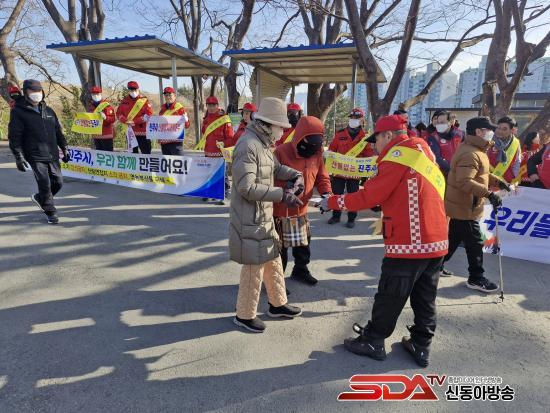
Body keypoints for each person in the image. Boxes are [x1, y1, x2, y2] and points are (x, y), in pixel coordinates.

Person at [320, 114, 448, 367]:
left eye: (376, 139)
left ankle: (373, 340)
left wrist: (331, 202)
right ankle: (421, 344)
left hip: (409, 240)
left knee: (390, 294)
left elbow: (369, 196)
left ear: (388, 135)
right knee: (425, 296)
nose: (375, 145)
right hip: (437, 239)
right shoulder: (424, 150)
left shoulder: (397, 156)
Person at [230, 97, 305, 333]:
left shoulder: (263, 143)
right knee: (254, 268)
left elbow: (274, 168)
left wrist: (295, 175)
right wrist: (282, 195)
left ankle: (277, 304)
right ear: (269, 124)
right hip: (249, 218)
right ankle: (244, 316)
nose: (283, 132)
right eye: (281, 127)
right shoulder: (248, 145)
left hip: (263, 215)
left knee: (273, 258)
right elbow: (246, 187)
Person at [443, 117, 510, 292]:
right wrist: (489, 194)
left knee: (453, 240)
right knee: (475, 244)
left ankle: (433, 267)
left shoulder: (476, 150)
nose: (492, 133)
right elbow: (464, 181)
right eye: (489, 130)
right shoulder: (471, 153)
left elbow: (482, 174)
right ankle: (476, 278)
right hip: (465, 207)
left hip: (463, 206)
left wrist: (499, 182)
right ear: (478, 131)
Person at [273, 116, 332, 286]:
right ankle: (276, 282)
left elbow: (322, 177)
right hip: (281, 209)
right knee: (280, 249)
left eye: (316, 143)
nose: (313, 147)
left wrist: (327, 194)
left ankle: (300, 270)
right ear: (300, 137)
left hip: (302, 209)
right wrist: (285, 191)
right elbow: (270, 179)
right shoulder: (281, 152)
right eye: (309, 142)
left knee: (303, 245)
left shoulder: (317, 153)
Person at [8, 79, 69, 224]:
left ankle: (40, 198)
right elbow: (14, 136)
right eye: (32, 91)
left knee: (58, 182)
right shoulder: (18, 112)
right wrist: (19, 156)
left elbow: (58, 131)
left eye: (38, 90)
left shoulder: (49, 111)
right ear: (26, 92)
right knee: (44, 183)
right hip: (34, 154)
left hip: (52, 153)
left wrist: (64, 147)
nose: (36, 93)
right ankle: (50, 211)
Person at [327, 107, 375, 228]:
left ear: (362, 120)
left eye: (356, 118)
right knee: (337, 194)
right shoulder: (340, 134)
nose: (353, 120)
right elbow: (332, 149)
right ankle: (336, 216)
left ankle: (351, 219)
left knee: (353, 196)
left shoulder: (365, 137)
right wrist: (329, 156)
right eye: (352, 117)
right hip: (339, 172)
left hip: (354, 173)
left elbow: (368, 155)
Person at [200, 95, 234, 204]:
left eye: (213, 105)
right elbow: (204, 133)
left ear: (217, 105)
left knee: (221, 174)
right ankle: (211, 193)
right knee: (209, 173)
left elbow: (230, 137)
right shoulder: (206, 119)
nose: (211, 108)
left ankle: (224, 194)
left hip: (220, 153)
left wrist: (224, 144)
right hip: (208, 151)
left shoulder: (224, 119)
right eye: (209, 105)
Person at [116, 81, 154, 154]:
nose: (133, 92)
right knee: (132, 155)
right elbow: (118, 114)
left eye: (135, 90)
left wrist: (135, 121)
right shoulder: (124, 101)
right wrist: (125, 120)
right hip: (130, 132)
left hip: (143, 132)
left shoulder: (144, 100)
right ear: (128, 90)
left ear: (138, 89)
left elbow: (149, 114)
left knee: (146, 153)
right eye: (131, 90)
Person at [426, 110, 463, 174]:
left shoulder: (460, 135)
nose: (439, 125)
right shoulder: (433, 137)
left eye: (442, 122)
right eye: (438, 122)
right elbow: (437, 158)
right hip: (443, 173)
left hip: (460, 172)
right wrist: (453, 168)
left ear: (450, 122)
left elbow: (466, 153)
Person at [488, 116, 522, 184]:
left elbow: (517, 162)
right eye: (498, 128)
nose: (500, 131)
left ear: (512, 130)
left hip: (506, 183)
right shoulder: (488, 140)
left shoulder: (515, 143)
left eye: (504, 129)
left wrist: (513, 177)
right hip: (488, 181)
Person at [158, 87, 190, 156]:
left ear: (174, 96)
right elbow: (160, 125)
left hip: (176, 142)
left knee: (178, 161)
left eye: (170, 95)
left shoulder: (179, 108)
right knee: (167, 162)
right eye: (166, 95)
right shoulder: (162, 109)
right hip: (164, 142)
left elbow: (187, 125)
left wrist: (186, 120)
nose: (168, 97)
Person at [88, 86, 116, 152]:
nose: (95, 96)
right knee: (99, 154)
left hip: (106, 135)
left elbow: (112, 119)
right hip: (96, 135)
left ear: (100, 94)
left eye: (97, 94)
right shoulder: (91, 106)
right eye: (93, 94)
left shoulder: (106, 105)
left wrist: (106, 117)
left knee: (108, 154)